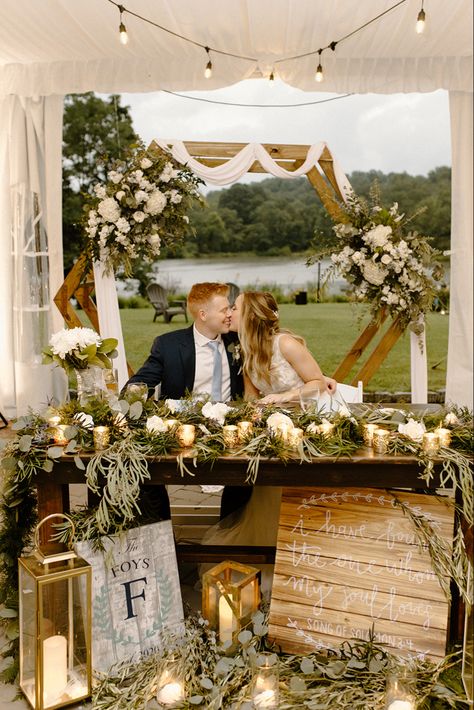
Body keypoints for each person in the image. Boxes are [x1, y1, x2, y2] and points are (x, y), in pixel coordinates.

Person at [201, 290, 334, 593]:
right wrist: (247, 416)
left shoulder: (286, 343)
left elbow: (317, 383)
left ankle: (305, 553)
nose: (229, 312)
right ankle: (273, 555)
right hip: (273, 432)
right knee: (266, 491)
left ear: (249, 315)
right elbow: (251, 398)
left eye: (234, 307)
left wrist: (282, 398)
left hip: (306, 428)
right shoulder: (247, 351)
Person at [124, 282, 251, 520]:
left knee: (252, 469)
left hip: (231, 430)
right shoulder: (168, 345)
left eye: (231, 309)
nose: (229, 314)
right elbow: (140, 383)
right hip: (182, 429)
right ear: (203, 314)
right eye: (224, 309)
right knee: (141, 468)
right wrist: (131, 399)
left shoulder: (239, 341)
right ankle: (160, 536)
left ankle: (230, 530)